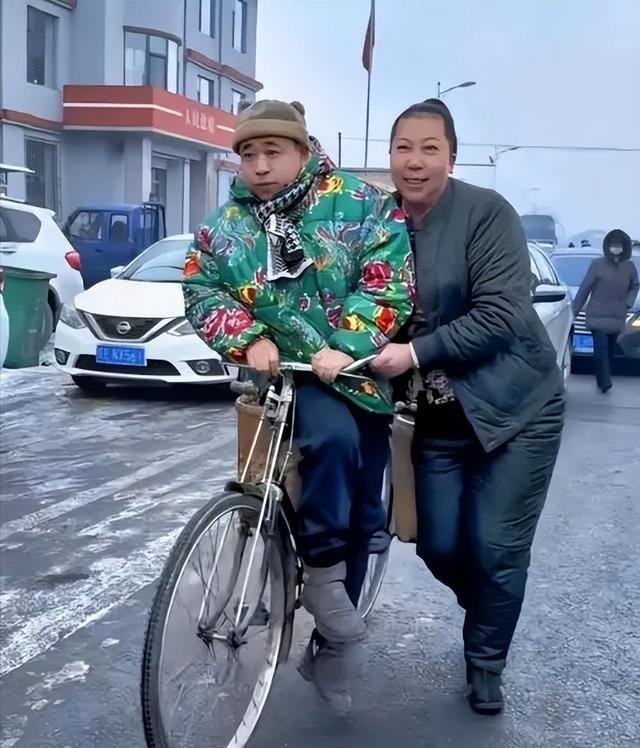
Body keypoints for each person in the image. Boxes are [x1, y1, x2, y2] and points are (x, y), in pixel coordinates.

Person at [182, 99, 414, 712]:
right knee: (328, 446)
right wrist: (246, 336)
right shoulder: (225, 225)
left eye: (273, 151)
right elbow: (201, 288)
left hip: (355, 375)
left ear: (303, 150)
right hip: (284, 378)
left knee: (367, 513)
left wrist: (347, 345)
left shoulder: (360, 204)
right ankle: (321, 578)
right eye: (249, 154)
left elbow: (389, 281)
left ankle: (333, 648)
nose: (260, 165)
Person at [371, 99, 565, 715]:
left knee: (496, 546)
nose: (416, 161)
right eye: (404, 147)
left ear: (451, 157)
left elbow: (505, 314)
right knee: (436, 543)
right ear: (390, 155)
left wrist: (416, 352)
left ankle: (485, 660)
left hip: (517, 409)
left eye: (430, 148)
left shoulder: (487, 214)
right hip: (438, 421)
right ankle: (490, 607)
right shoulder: (378, 222)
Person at [572, 229, 639, 393]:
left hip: (617, 315)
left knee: (609, 351)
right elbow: (585, 288)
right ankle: (604, 381)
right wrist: (574, 310)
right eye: (613, 245)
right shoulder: (597, 265)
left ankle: (603, 375)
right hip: (597, 314)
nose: (616, 248)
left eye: (619, 245)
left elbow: (635, 286)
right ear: (607, 246)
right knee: (600, 350)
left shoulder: (629, 267)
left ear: (624, 247)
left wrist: (628, 303)